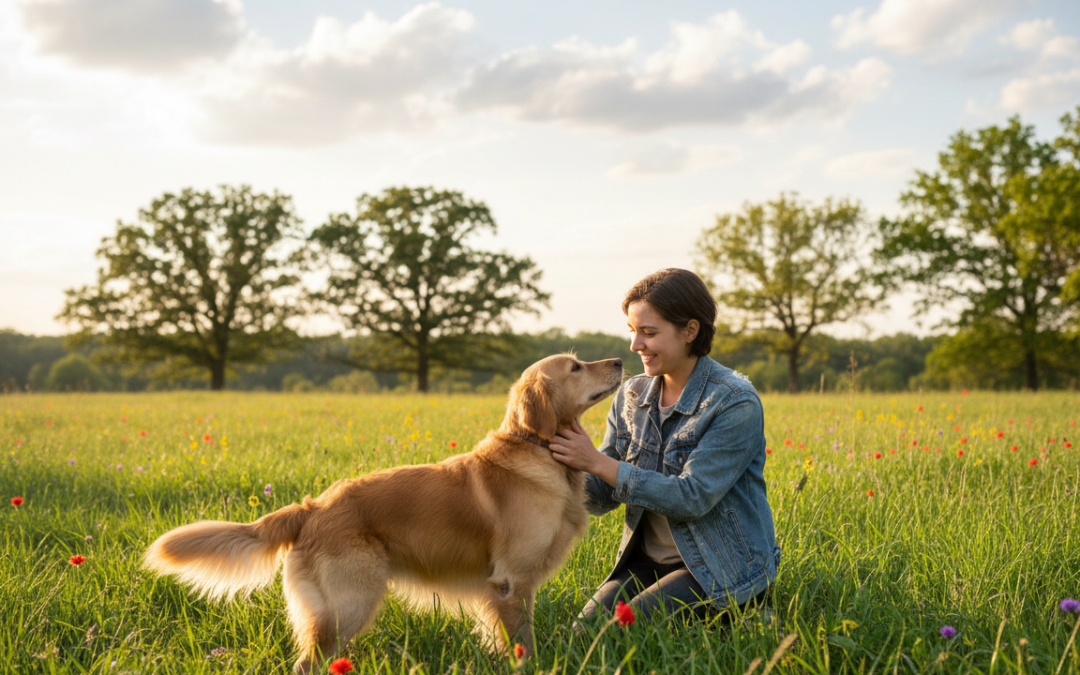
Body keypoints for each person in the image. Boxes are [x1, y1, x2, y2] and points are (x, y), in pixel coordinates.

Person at [549, 268, 779, 624]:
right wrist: (554, 458)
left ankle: (752, 614)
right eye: (633, 331)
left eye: (648, 332)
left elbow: (692, 498)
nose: (635, 345)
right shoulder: (633, 394)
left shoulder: (735, 401)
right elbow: (599, 498)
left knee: (622, 632)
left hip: (719, 569)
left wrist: (595, 462)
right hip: (647, 562)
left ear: (690, 331)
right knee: (585, 631)